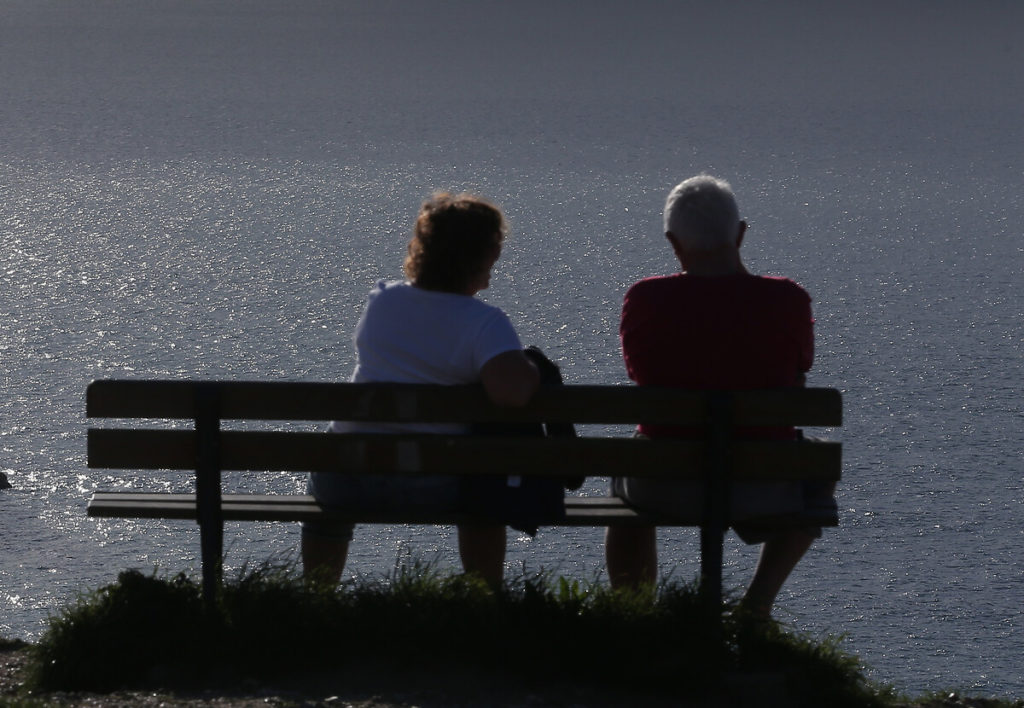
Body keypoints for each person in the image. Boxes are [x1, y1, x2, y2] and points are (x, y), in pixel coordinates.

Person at [606, 174, 834, 618]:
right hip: (760, 489)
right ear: (741, 234)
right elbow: (800, 371)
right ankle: (756, 606)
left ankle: (634, 614)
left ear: (674, 242)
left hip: (662, 488)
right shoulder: (787, 300)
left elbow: (641, 377)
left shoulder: (644, 298)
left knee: (627, 470)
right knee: (819, 466)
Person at [302, 192, 540, 588]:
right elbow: (511, 393)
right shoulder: (485, 322)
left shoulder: (382, 301)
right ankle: (486, 598)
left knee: (329, 483)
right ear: (481, 256)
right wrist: (531, 367)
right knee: (486, 497)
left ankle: (315, 595)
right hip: (432, 485)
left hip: (348, 479)